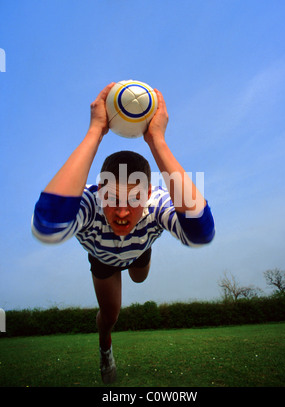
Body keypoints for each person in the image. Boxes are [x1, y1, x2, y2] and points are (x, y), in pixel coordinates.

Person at [31, 82, 215, 384]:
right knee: (112, 314)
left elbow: (201, 232)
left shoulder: (156, 202)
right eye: (112, 199)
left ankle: (139, 256)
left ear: (149, 194)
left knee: (139, 277)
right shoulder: (89, 202)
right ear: (99, 190)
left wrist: (157, 141)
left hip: (140, 249)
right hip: (103, 257)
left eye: (133, 200)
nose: (121, 212)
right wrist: (95, 132)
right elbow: (48, 226)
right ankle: (105, 349)